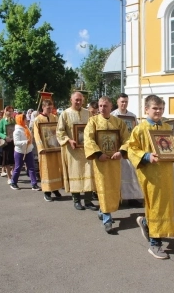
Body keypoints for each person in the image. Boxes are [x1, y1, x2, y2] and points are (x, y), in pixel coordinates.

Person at [128, 95, 174, 259]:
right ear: (146, 109)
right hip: (150, 175)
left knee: (164, 205)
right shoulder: (140, 129)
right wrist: (146, 156)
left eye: (161, 108)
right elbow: (132, 149)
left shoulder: (167, 127)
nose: (158, 111)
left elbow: (173, 147)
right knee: (155, 206)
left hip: (166, 173)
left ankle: (147, 223)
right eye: (155, 108)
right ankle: (155, 244)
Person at [84, 96, 130, 234]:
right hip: (101, 162)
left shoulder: (118, 122)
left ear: (111, 107)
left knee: (113, 187)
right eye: (100, 106)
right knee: (103, 187)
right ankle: (107, 218)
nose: (102, 108)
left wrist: (121, 152)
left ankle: (102, 210)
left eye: (105, 106)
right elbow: (88, 139)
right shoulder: (93, 121)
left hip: (114, 161)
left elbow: (127, 139)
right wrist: (98, 154)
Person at [56, 92, 97, 210]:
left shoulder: (87, 113)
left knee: (89, 173)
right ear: (71, 100)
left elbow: (92, 129)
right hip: (72, 150)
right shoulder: (65, 114)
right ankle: (77, 200)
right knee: (75, 173)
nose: (78, 102)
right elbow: (60, 131)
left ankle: (88, 201)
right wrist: (69, 140)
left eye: (80, 100)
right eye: (76, 100)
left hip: (86, 150)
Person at [111, 93, 143, 208]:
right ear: (117, 102)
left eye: (126, 102)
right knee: (118, 174)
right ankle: (117, 198)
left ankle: (132, 198)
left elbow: (137, 131)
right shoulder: (112, 115)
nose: (124, 104)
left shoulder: (132, 116)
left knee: (131, 173)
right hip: (117, 149)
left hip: (130, 148)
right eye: (122, 102)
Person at [33, 99, 63, 201]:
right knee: (46, 170)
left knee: (56, 169)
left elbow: (59, 131)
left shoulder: (55, 117)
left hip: (54, 147)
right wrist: (41, 148)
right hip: (45, 150)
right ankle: (47, 191)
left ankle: (55, 188)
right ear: (43, 107)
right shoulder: (38, 120)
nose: (50, 109)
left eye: (51, 107)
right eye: (48, 108)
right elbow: (36, 135)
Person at [9, 114, 41, 191]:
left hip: (28, 150)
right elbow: (16, 143)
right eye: (24, 119)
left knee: (31, 167)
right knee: (18, 167)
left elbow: (30, 137)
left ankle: (34, 184)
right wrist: (26, 141)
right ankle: (13, 182)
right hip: (20, 152)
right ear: (20, 120)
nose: (26, 120)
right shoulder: (17, 131)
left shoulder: (26, 128)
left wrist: (31, 137)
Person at [0, 106, 16, 185]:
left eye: (12, 111)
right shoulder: (2, 121)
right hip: (6, 142)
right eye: (9, 111)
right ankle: (9, 177)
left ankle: (13, 173)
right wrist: (5, 137)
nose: (10, 113)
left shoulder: (14, 120)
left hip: (14, 142)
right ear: (5, 112)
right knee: (7, 160)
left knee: (15, 160)